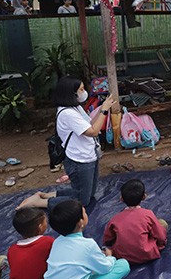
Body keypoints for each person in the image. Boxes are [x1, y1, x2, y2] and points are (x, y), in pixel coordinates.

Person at [18, 77, 115, 210]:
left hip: (89, 155)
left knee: (89, 193)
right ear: (71, 93)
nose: (84, 92)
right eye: (81, 89)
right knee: (82, 201)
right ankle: (38, 203)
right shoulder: (67, 113)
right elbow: (93, 131)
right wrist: (103, 110)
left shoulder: (76, 108)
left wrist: (102, 109)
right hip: (79, 160)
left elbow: (90, 124)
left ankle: (46, 195)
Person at [43, 200, 130, 279]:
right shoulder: (88, 245)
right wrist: (110, 256)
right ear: (80, 223)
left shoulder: (57, 242)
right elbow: (106, 268)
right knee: (123, 265)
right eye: (84, 212)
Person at [103, 179, 168, 264]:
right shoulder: (148, 215)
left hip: (122, 256)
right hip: (147, 254)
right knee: (162, 224)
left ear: (121, 199)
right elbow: (161, 236)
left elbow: (107, 239)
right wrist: (160, 244)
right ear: (144, 196)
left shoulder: (115, 219)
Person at [5, 207, 54, 279]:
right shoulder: (48, 242)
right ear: (40, 227)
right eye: (45, 221)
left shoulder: (12, 250)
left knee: (4, 263)